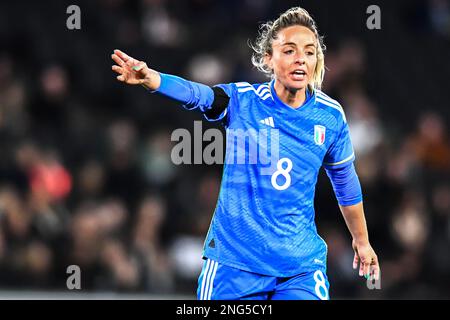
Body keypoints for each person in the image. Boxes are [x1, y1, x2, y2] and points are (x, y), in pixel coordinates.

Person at [111, 7, 380, 300]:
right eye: (289, 50)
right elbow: (200, 96)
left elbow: (345, 181)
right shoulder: (244, 101)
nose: (301, 58)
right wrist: (155, 80)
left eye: (310, 52)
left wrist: (362, 241)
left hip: (299, 267)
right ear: (269, 58)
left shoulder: (330, 116)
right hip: (235, 264)